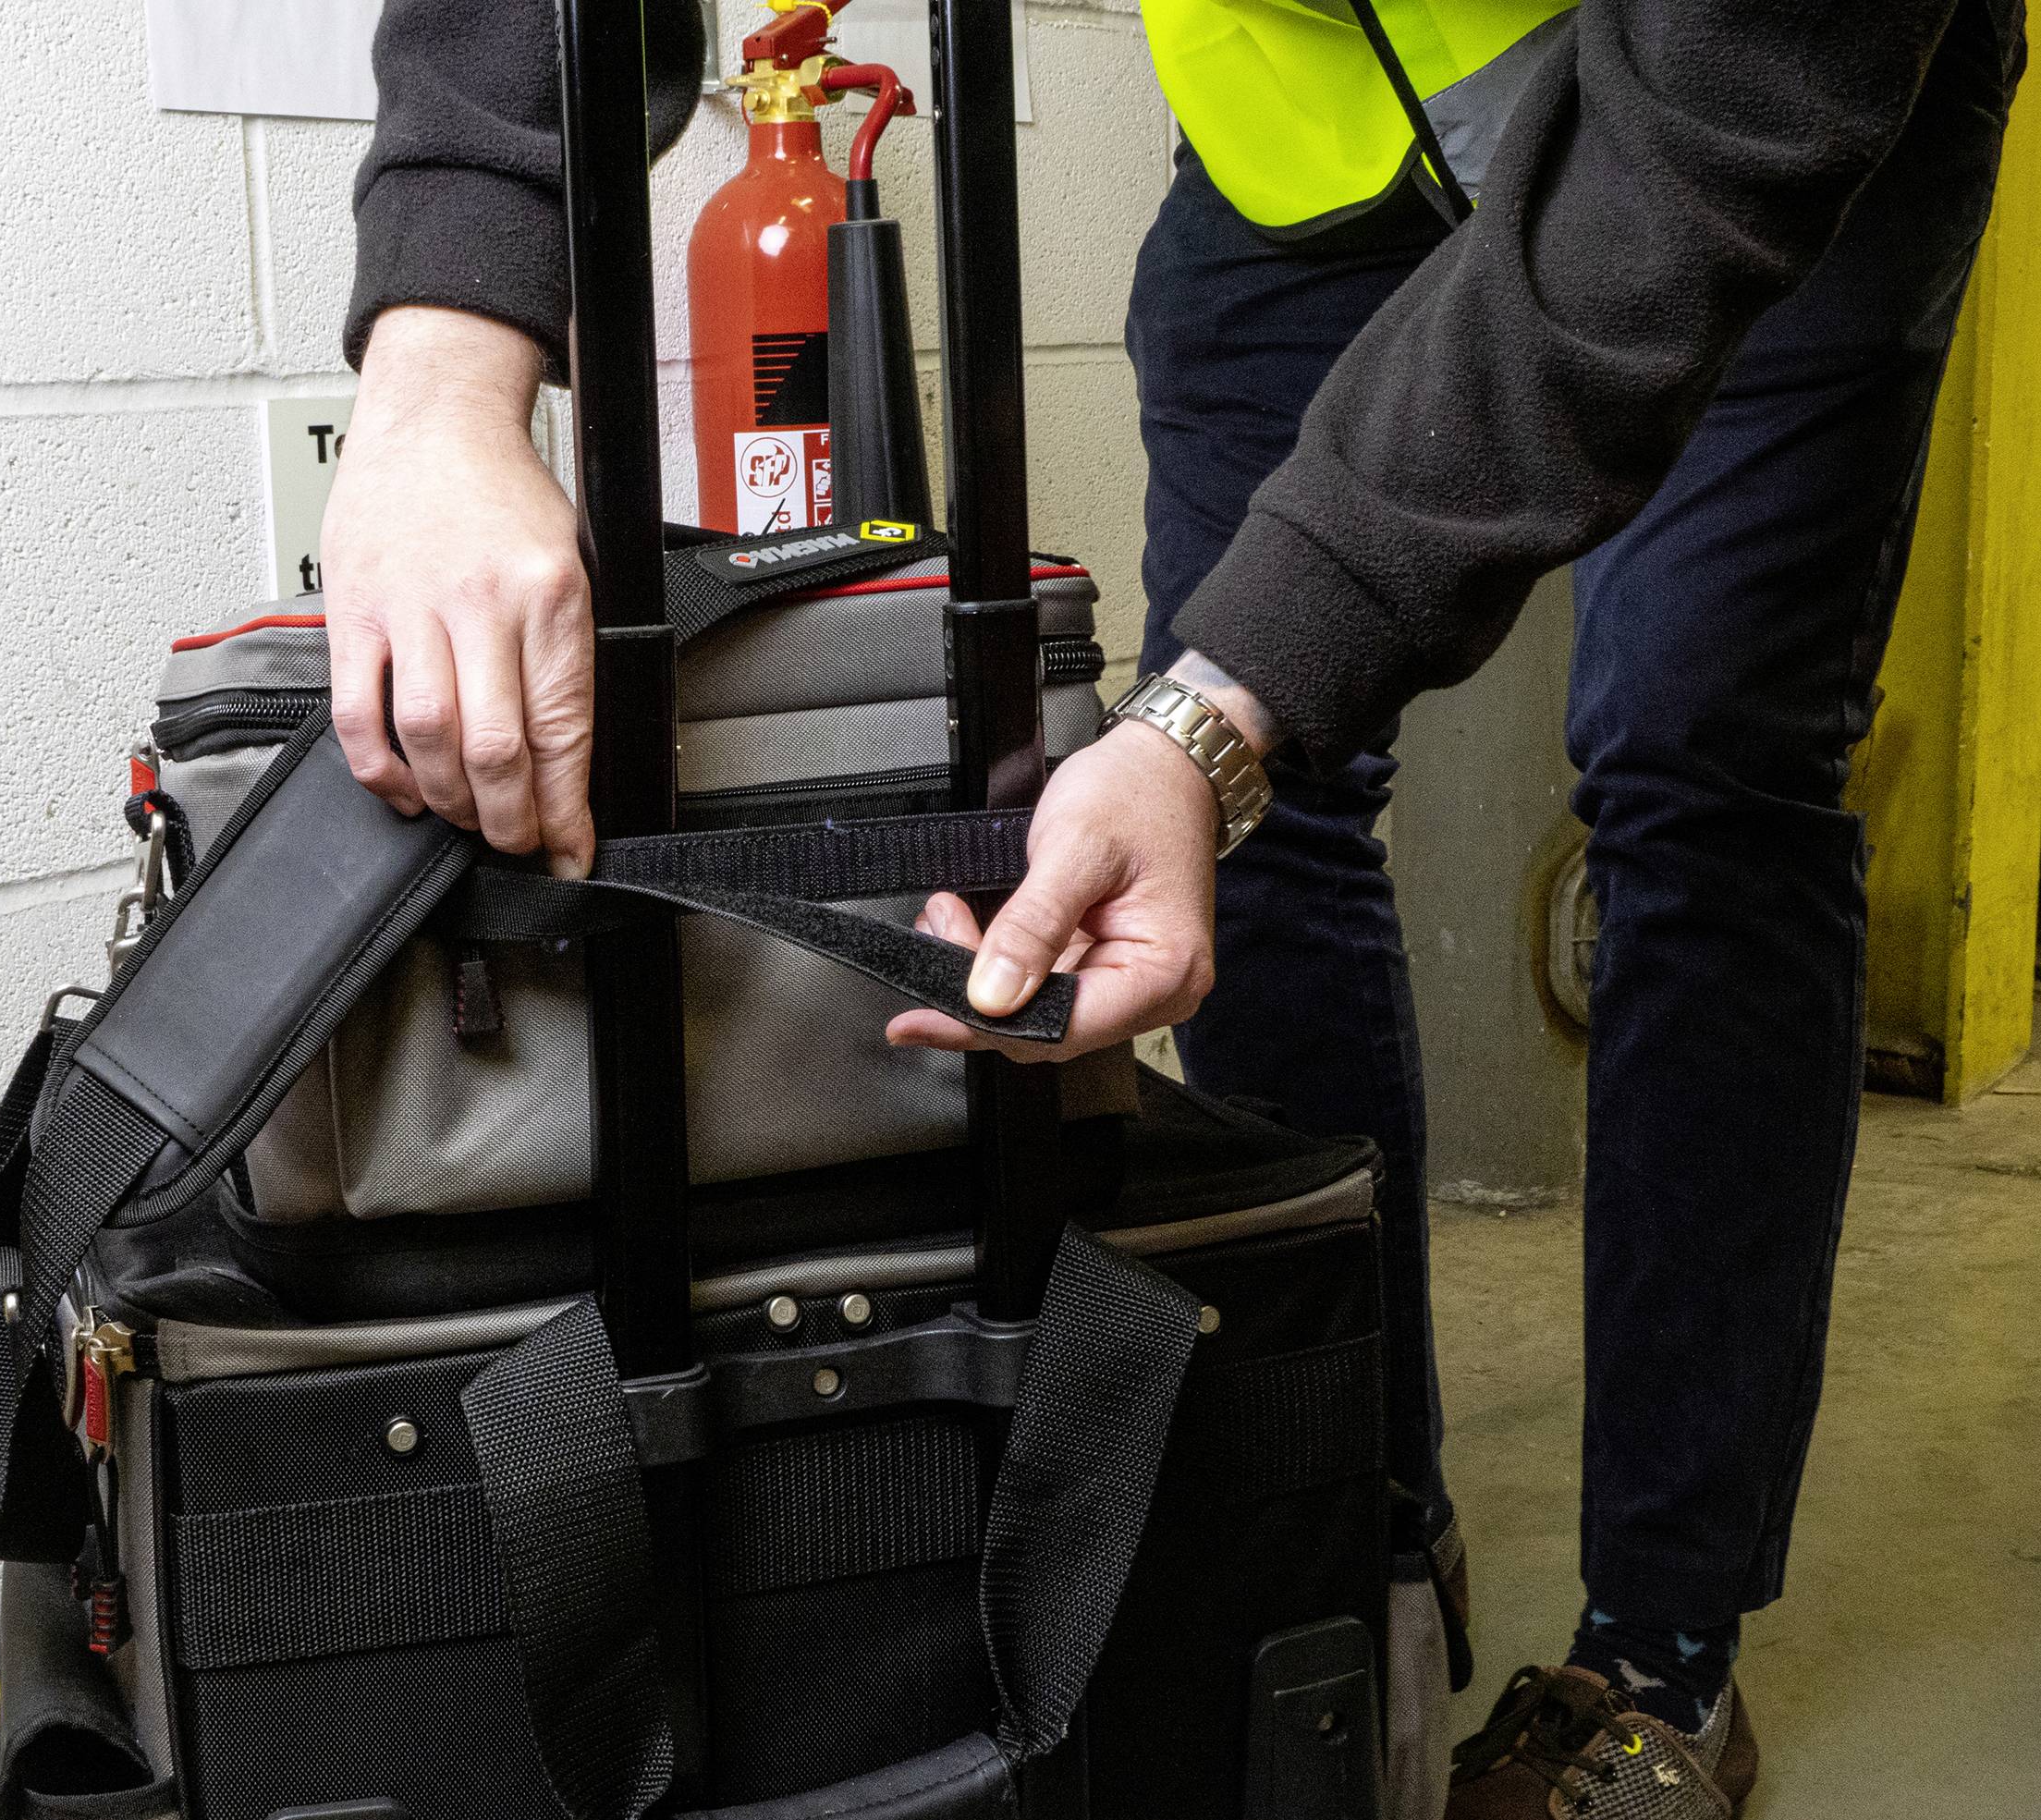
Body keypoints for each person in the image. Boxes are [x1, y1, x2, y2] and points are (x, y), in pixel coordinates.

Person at [317, 2, 2025, 1814]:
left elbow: (1701, 151)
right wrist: (440, 370)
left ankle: (1662, 1652)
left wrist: (1228, 702)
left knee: (1700, 769)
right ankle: (1355, 1522)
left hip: (1723, 91)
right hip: (1306, 136)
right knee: (1228, 812)